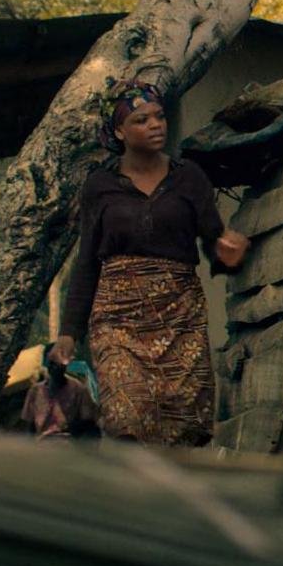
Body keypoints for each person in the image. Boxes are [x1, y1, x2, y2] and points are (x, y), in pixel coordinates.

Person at [48, 79, 249, 446]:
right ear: (119, 131)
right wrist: (69, 331)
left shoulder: (189, 177)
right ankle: (131, 480)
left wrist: (226, 253)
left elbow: (213, 241)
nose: (155, 125)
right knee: (128, 415)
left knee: (182, 426)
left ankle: (168, 483)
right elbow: (87, 262)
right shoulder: (99, 186)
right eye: (141, 120)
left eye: (159, 116)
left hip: (180, 318)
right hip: (118, 321)